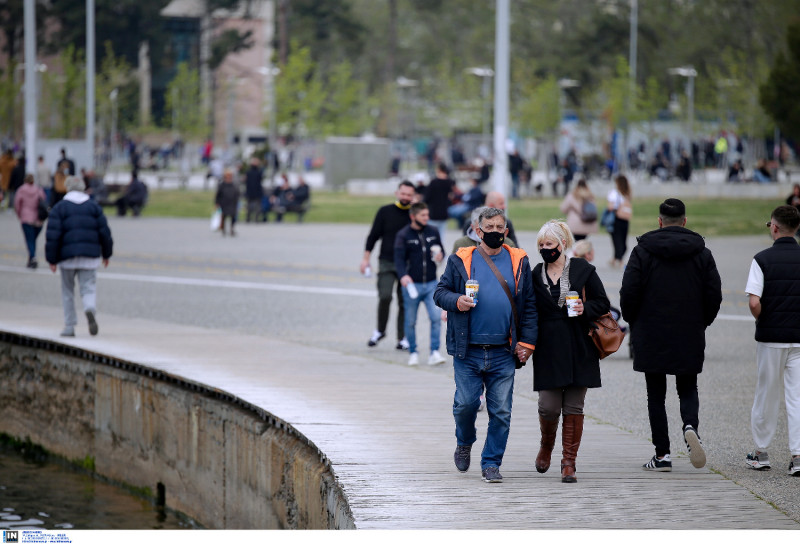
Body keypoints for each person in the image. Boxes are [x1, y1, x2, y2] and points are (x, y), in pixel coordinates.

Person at [434, 207, 538, 483]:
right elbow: (440, 292)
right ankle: (465, 441)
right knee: (465, 404)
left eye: (499, 227)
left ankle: (491, 462)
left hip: (504, 350)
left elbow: (528, 305)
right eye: (488, 227)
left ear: (506, 230)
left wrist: (527, 342)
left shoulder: (519, 260)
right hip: (467, 349)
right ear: (477, 231)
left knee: (501, 411)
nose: (495, 232)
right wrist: (456, 301)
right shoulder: (461, 259)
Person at [620, 198, 722, 472]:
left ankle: (662, 454)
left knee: (656, 393)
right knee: (688, 386)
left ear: (660, 221)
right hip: (688, 330)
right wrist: (703, 322)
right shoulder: (702, 253)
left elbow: (628, 292)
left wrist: (634, 321)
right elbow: (714, 294)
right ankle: (690, 425)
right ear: (685, 221)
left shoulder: (642, 251)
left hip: (651, 331)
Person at [530, 220, 610, 483]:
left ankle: (568, 463)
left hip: (579, 344)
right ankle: (546, 445)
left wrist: (584, 310)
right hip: (548, 347)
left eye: (549, 244)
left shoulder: (582, 269)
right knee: (548, 407)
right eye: (541, 245)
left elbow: (602, 302)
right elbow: (528, 311)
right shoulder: (535, 273)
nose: (545, 249)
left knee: (574, 406)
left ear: (563, 244)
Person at [743, 205, 800, 476]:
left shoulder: (761, 259)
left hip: (771, 336)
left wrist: (761, 318)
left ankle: (761, 452)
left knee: (766, 393)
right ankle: (797, 455)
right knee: (796, 397)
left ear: (774, 227)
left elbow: (754, 301)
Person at [45, 175, 113, 337]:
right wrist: (106, 254)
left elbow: (53, 235)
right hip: (90, 256)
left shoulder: (59, 208)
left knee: (67, 291)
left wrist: (52, 259)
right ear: (83, 188)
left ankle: (69, 326)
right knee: (88, 287)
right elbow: (104, 232)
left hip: (66, 257)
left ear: (67, 188)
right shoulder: (93, 207)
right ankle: (89, 308)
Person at [361, 180, 415, 350]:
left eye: (409, 194)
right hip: (386, 260)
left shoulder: (414, 214)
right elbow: (373, 236)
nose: (406, 197)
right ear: (397, 193)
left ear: (413, 196)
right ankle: (380, 330)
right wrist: (365, 259)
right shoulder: (385, 211)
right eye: (403, 193)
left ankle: (402, 337)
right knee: (385, 295)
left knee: (404, 301)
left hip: (407, 265)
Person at [394, 202, 446, 366]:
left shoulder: (433, 231)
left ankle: (435, 352)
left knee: (436, 317)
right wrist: (403, 276)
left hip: (431, 283)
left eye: (427, 215)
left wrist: (440, 256)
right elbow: (399, 259)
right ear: (413, 216)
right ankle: (413, 352)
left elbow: (441, 251)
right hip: (412, 286)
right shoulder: (403, 235)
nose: (427, 218)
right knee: (410, 321)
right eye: (423, 215)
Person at [14, 174, 47, 269]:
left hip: (26, 217)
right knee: (32, 240)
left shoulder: (21, 190)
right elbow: (44, 201)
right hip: (38, 219)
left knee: (30, 240)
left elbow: (17, 203)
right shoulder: (38, 189)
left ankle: (32, 258)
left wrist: (19, 215)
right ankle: (31, 258)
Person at [424, 162, 456, 248]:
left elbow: (427, 198)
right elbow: (451, 197)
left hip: (433, 213)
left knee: (431, 236)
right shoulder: (450, 182)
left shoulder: (433, 182)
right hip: (444, 212)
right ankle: (441, 254)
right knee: (441, 236)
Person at [606, 175, 632, 268]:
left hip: (617, 219)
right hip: (624, 220)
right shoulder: (627, 194)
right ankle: (617, 259)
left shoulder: (614, 193)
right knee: (622, 241)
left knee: (617, 240)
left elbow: (610, 207)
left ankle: (617, 259)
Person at [214, 169, 240, 236]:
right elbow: (218, 195)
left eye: (230, 176)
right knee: (224, 216)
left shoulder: (234, 184)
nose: (229, 177)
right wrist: (217, 203)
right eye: (228, 176)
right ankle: (223, 229)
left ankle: (232, 229)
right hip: (224, 203)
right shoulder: (222, 185)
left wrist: (237, 201)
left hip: (232, 203)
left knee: (233, 217)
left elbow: (237, 193)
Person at [244, 158, 265, 223]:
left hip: (253, 191)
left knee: (255, 206)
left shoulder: (249, 172)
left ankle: (253, 218)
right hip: (253, 191)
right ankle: (251, 218)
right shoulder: (257, 172)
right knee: (251, 206)